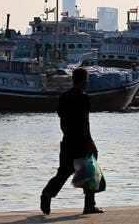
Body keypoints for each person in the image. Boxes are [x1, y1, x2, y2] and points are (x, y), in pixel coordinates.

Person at [41, 67, 104, 215]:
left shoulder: (64, 97)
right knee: (90, 173)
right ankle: (89, 206)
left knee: (63, 172)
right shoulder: (83, 97)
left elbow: (61, 118)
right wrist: (90, 143)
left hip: (67, 140)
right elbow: (84, 122)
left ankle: (47, 193)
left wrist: (67, 135)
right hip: (81, 142)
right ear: (84, 80)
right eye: (86, 80)